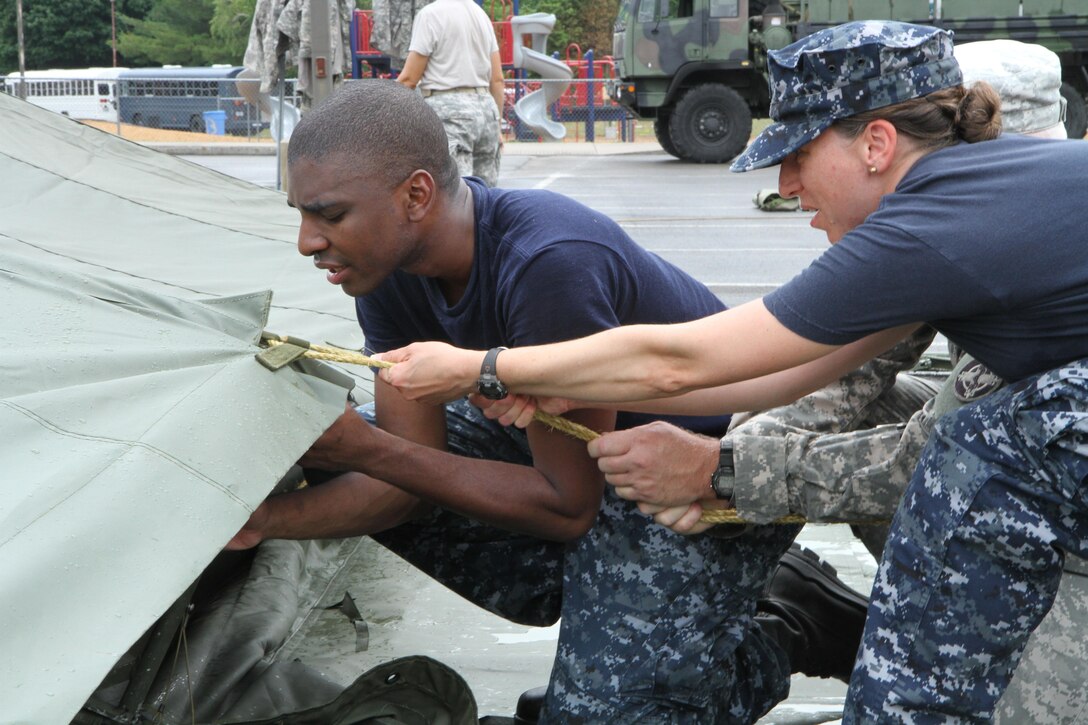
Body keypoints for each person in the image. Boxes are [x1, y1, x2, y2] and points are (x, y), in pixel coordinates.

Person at [377, 21, 1088, 721]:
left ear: (876, 145)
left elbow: (680, 361)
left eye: (800, 154)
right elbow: (785, 374)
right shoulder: (969, 200)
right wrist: (576, 384)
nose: (785, 184)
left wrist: (485, 366)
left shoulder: (930, 224)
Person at [229, 79, 865, 723]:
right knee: (344, 452)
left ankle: (786, 624)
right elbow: (403, 482)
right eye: (302, 215)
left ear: (415, 195)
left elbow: (567, 508)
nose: (308, 241)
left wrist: (369, 449)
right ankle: (628, 620)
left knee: (609, 716)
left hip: (697, 481)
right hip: (584, 466)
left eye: (329, 215)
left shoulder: (546, 262)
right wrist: (266, 521)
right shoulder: (388, 275)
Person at [395, 0, 504, 187]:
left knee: (456, 194)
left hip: (451, 112)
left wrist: (380, 110)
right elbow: (497, 79)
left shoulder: (430, 14)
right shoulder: (480, 15)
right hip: (487, 111)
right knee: (486, 196)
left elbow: (409, 79)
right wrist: (498, 125)